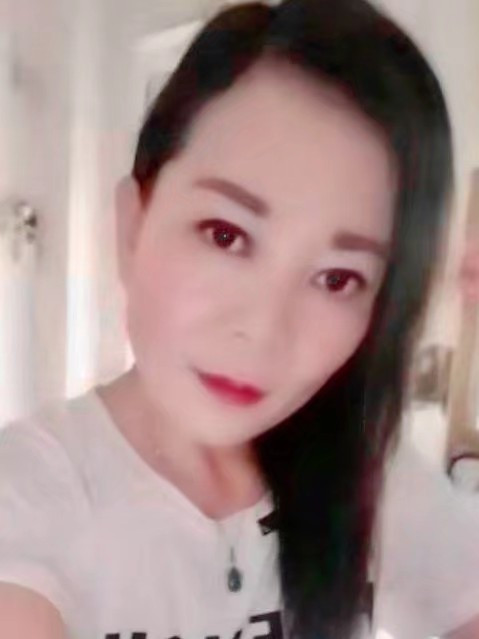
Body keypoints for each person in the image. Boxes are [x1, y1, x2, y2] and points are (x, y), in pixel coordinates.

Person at [1, 0, 479, 638]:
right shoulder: (28, 493)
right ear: (133, 225)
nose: (262, 332)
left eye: (337, 279)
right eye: (225, 235)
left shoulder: (372, 479)